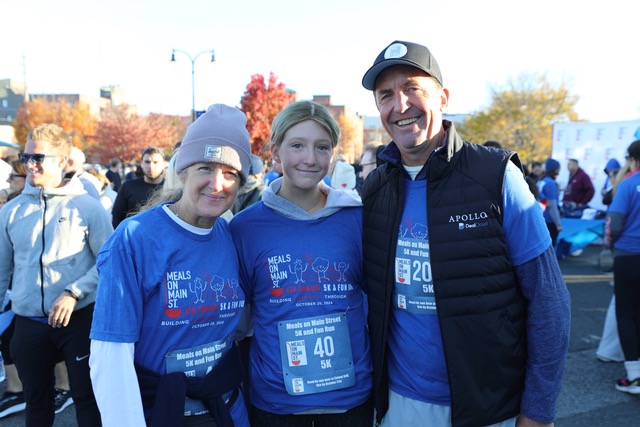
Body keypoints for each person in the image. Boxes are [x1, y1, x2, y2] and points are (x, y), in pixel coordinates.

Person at [360, 40, 570, 427]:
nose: (400, 105)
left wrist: (538, 410)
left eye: (412, 89)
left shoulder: (495, 175)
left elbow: (549, 300)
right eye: (386, 95)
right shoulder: (374, 189)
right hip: (399, 404)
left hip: (490, 407)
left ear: (443, 96)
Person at [89, 104, 252, 426]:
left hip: (227, 410)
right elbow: (110, 353)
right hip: (162, 413)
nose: (217, 184)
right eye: (205, 167)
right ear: (182, 171)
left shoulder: (230, 233)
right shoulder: (136, 238)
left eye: (230, 173)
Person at [229, 100, 372, 426]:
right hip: (277, 405)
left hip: (349, 403)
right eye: (297, 146)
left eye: (321, 147)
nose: (310, 158)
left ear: (332, 155)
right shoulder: (245, 227)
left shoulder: (358, 218)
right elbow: (240, 318)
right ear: (275, 152)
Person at [0, 123, 113, 426]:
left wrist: (74, 291)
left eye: (38, 157)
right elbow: (1, 269)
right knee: (36, 403)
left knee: (87, 399)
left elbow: (110, 261)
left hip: (78, 321)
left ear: (61, 161)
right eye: (26, 157)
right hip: (29, 323)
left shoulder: (88, 207)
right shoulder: (10, 212)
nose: (29, 164)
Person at [605, 139, 640, 394]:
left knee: (626, 313)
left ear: (632, 159)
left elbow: (614, 224)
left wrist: (611, 246)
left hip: (628, 255)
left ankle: (635, 376)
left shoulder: (628, 184)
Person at [111, 147, 166, 228]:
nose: (151, 166)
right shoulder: (128, 187)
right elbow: (117, 217)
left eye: (155, 162)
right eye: (147, 162)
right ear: (141, 164)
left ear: (163, 164)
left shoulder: (171, 188)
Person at [539, 158, 563, 247]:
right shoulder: (550, 183)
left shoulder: (542, 180)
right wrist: (558, 224)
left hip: (541, 217)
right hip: (549, 219)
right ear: (555, 169)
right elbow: (552, 205)